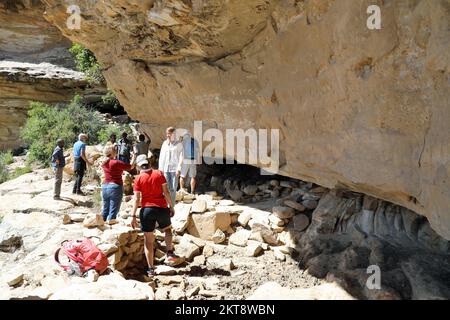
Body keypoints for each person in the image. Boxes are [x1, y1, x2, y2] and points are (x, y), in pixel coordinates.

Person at [131, 154, 179, 276]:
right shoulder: (159, 174)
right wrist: (171, 206)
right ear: (149, 163)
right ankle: (169, 252)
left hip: (146, 210)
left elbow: (137, 199)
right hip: (162, 208)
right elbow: (166, 192)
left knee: (148, 240)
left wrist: (133, 215)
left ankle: (151, 269)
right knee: (168, 230)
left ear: (138, 166)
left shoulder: (138, 179)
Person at [101, 145, 137, 224]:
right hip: (115, 186)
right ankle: (110, 229)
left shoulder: (104, 163)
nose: (116, 150)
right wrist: (134, 157)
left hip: (105, 187)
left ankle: (101, 225)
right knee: (113, 210)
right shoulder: (116, 162)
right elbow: (130, 167)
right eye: (114, 149)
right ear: (111, 152)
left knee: (105, 209)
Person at [158, 127, 183, 205]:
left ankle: (171, 205)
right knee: (165, 188)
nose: (167, 135)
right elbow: (161, 156)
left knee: (173, 188)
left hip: (174, 169)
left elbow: (182, 156)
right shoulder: (165, 143)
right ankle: (165, 204)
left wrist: (179, 168)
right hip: (165, 169)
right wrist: (160, 168)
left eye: (169, 133)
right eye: (167, 133)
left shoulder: (179, 144)